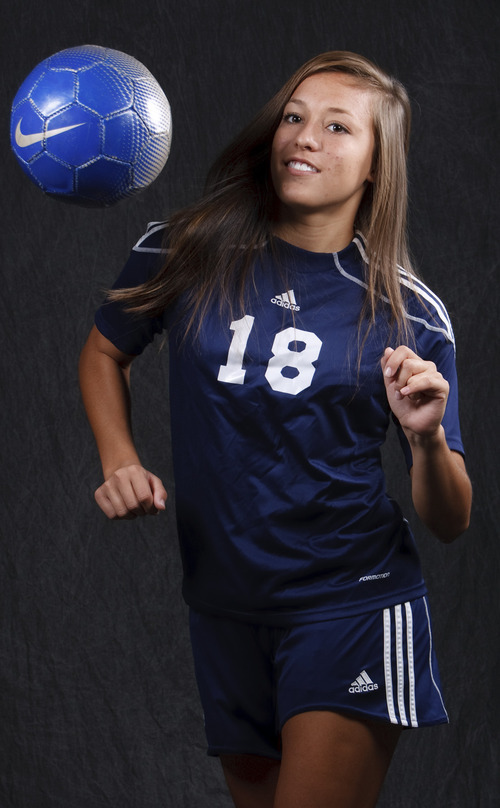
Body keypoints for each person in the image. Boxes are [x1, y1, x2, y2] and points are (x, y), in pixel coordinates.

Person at [79, 51, 472, 808]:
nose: (305, 137)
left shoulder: (407, 313)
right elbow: (104, 349)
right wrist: (118, 459)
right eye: (293, 117)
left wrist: (424, 438)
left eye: (335, 126)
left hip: (350, 603)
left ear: (375, 166)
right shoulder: (188, 248)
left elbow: (450, 520)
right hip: (224, 606)